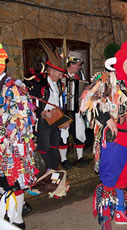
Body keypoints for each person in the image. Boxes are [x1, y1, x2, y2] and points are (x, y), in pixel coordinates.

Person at [80, 42, 127, 229]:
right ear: (120, 62)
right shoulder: (109, 79)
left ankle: (120, 213)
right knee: (110, 177)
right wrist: (106, 117)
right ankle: (106, 216)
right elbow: (87, 100)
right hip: (113, 137)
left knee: (124, 177)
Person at [0, 43, 37, 229]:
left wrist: (8, 143)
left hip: (10, 148)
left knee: (12, 183)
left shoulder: (15, 87)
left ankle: (17, 222)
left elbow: (24, 121)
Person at [28, 40, 69, 170]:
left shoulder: (57, 85)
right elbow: (30, 102)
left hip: (54, 120)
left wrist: (63, 120)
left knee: (54, 145)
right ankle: (44, 174)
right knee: (44, 147)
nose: (60, 75)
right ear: (50, 70)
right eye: (58, 72)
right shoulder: (39, 83)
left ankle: (52, 173)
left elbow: (58, 104)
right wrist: (44, 112)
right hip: (43, 121)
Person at [58, 51, 88, 169]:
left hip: (76, 109)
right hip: (64, 110)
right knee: (63, 133)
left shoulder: (80, 77)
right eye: (78, 64)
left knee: (80, 132)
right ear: (71, 63)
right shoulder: (61, 76)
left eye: (80, 65)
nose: (79, 67)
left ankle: (80, 157)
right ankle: (64, 159)